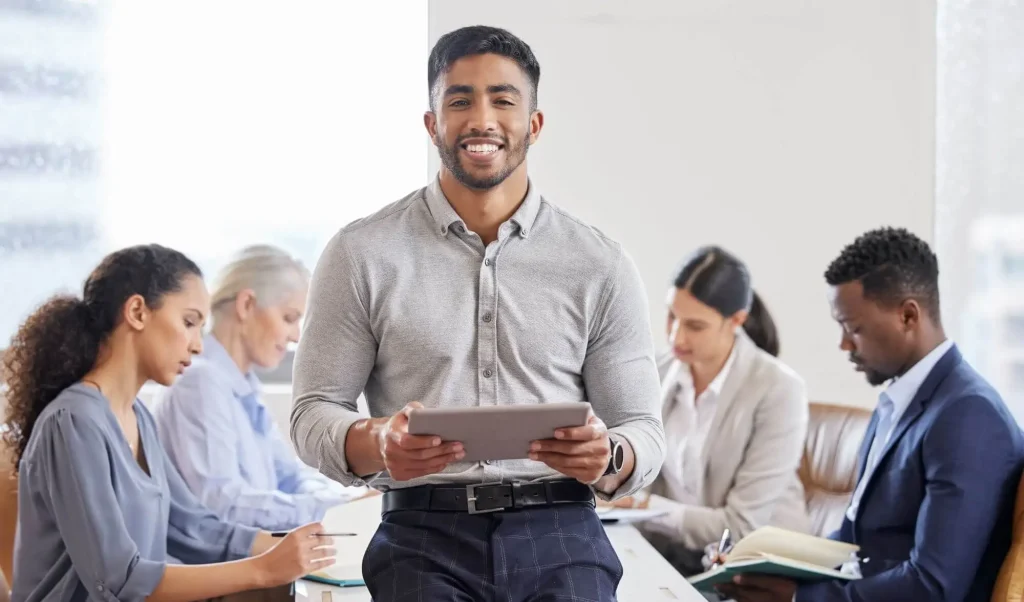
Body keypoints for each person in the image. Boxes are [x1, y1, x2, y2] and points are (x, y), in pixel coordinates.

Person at [290, 25, 665, 601]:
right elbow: (313, 412)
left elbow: (642, 428)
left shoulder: (601, 263)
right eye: (459, 100)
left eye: (503, 100)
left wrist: (608, 454)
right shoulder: (359, 253)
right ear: (432, 123)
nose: (481, 119)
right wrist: (376, 439)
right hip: (420, 532)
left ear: (533, 125)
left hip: (561, 530)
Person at [1, 245, 334, 602]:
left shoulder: (139, 418)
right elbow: (117, 578)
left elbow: (190, 525)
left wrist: (283, 548)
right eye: (189, 323)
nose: (197, 346)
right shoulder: (74, 422)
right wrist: (264, 568)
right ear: (137, 312)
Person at [717, 227, 1024, 602]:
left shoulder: (968, 417)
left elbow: (934, 586)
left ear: (908, 316)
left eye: (853, 328)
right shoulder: (897, 401)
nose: (843, 343)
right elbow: (854, 545)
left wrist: (800, 599)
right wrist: (760, 568)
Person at [153, 245, 366, 532]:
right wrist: (338, 508)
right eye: (289, 318)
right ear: (246, 305)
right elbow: (222, 504)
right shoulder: (199, 383)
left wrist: (348, 498)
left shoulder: (243, 387)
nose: (295, 336)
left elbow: (289, 476)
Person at [633, 246, 809, 576]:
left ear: (737, 321)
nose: (675, 335)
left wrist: (643, 507)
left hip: (757, 570)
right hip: (676, 559)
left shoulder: (779, 390)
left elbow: (741, 525)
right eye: (672, 316)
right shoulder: (656, 371)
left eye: (695, 326)